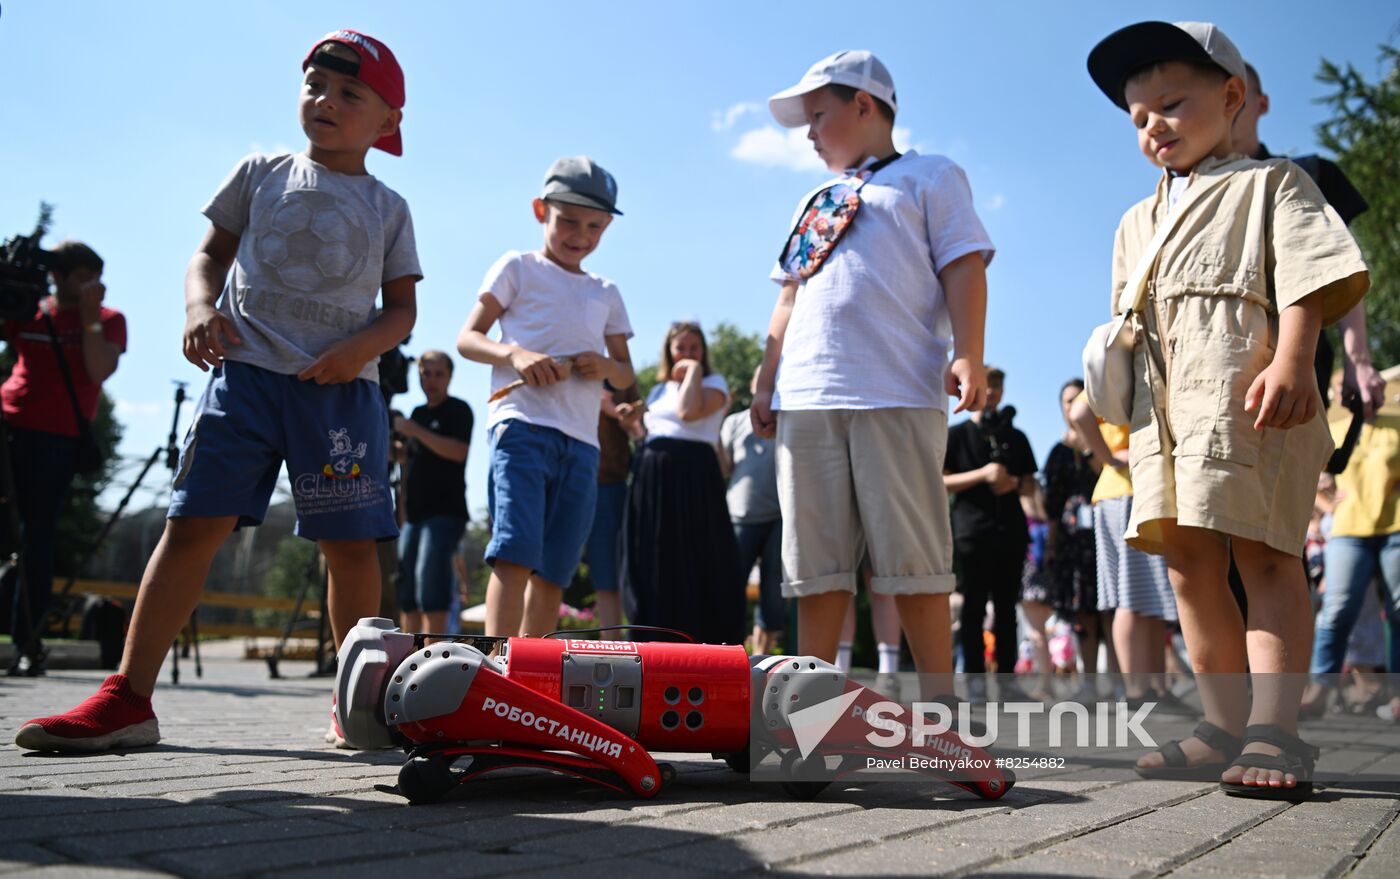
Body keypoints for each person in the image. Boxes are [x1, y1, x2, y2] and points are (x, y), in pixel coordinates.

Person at [15, 29, 420, 752]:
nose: (325, 100)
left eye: (349, 93)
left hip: (339, 394)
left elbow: (401, 311)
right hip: (245, 380)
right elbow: (207, 256)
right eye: (314, 85)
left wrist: (359, 348)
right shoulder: (260, 169)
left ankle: (355, 703)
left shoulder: (389, 207)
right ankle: (128, 697)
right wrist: (200, 307)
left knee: (351, 548)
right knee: (192, 525)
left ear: (387, 120)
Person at [1087, 20, 1369, 800]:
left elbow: (1314, 274)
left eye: (1171, 105)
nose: (1154, 128)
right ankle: (1222, 721)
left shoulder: (1273, 184)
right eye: (1139, 118)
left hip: (1251, 401)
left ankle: (1276, 728)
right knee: (1186, 565)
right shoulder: (1132, 223)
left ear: (1233, 95)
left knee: (1268, 553)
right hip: (1164, 419)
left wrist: (1292, 358)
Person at [751, 50, 994, 706]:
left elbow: (965, 265)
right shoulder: (816, 198)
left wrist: (968, 352)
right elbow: (788, 295)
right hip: (807, 397)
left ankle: (941, 715)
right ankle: (806, 714)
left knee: (913, 561)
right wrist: (766, 375)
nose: (807, 133)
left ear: (864, 104)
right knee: (816, 564)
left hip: (896, 391)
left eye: (817, 116)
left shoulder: (930, 175)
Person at [457, 157, 635, 639]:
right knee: (514, 550)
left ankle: (532, 675)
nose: (581, 235)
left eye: (595, 226)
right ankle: (493, 664)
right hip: (520, 426)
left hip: (582, 444)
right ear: (541, 211)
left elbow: (625, 375)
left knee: (555, 569)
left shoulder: (607, 292)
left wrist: (603, 367)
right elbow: (468, 338)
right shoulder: (517, 266)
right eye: (569, 221)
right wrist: (515, 355)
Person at [2, 241, 125, 676]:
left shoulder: (109, 321)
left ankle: (25, 643)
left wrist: (89, 317)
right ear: (59, 276)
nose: (93, 284)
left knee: (36, 538)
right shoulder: (28, 310)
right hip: (8, 424)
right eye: (83, 276)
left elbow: (98, 371)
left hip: (56, 439)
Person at [620, 322, 743, 644]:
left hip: (694, 476)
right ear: (669, 351)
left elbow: (688, 412)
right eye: (681, 348)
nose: (687, 353)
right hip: (652, 476)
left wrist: (691, 370)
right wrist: (629, 423)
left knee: (696, 553)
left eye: (694, 348)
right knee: (654, 555)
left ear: (703, 352)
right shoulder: (659, 390)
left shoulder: (714, 383)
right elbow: (648, 434)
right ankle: (652, 633)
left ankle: (704, 637)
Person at [1068, 391, 1177, 706]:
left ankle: (1156, 689)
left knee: (1154, 597)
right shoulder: (1119, 355)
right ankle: (1134, 692)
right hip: (1126, 491)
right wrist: (1111, 457)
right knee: (1131, 596)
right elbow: (1079, 412)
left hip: (1144, 489)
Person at [944, 367, 1037, 695]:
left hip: (1010, 532)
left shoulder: (1016, 436)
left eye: (998, 384)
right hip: (972, 533)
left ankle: (1008, 682)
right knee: (972, 607)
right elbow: (941, 480)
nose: (993, 391)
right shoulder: (955, 435)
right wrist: (982, 475)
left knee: (1006, 609)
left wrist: (1012, 483)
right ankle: (974, 681)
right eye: (989, 384)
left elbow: (1029, 484)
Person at [393, 350, 472, 636]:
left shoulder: (458, 410)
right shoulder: (417, 414)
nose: (432, 380)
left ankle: (431, 661)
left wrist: (416, 431)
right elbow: (411, 463)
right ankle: (407, 660)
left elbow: (458, 452)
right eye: (426, 373)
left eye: (439, 374)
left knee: (432, 590)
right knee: (408, 594)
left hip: (445, 514)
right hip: (413, 516)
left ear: (450, 377)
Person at [718, 368, 784, 654]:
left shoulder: (788, 421)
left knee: (773, 594)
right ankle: (726, 652)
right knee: (730, 589)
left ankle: (762, 657)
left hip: (779, 518)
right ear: (753, 384)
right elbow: (723, 467)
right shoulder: (734, 422)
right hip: (739, 517)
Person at [583, 382, 640, 637]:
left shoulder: (621, 380)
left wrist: (616, 411)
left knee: (615, 573)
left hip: (612, 485)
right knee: (542, 573)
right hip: (570, 479)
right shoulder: (571, 367)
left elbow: (641, 430)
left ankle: (616, 650)